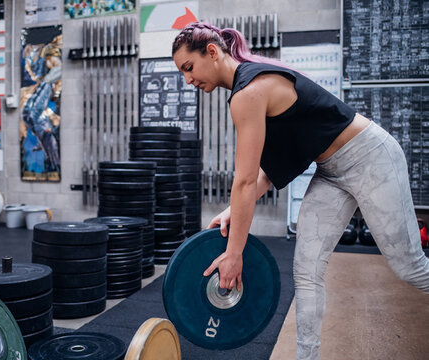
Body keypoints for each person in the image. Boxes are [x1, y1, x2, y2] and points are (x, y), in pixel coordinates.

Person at [172, 22, 429, 360]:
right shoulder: (249, 87)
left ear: (212, 52)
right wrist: (234, 210)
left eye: (189, 68)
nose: (188, 80)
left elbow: (246, 181)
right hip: (330, 172)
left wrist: (234, 256)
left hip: (371, 158)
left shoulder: (249, 92)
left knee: (409, 266)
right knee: (306, 271)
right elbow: (267, 169)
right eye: (182, 74)